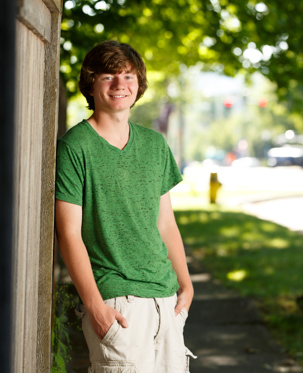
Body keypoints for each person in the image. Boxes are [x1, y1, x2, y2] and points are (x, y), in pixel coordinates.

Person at [54, 40, 196, 372]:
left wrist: (186, 285)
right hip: (118, 303)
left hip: (167, 300)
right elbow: (68, 234)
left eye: (129, 76)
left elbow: (165, 224)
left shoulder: (155, 144)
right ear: (91, 84)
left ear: (139, 85)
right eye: (108, 76)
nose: (120, 84)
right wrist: (95, 307)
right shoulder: (75, 148)